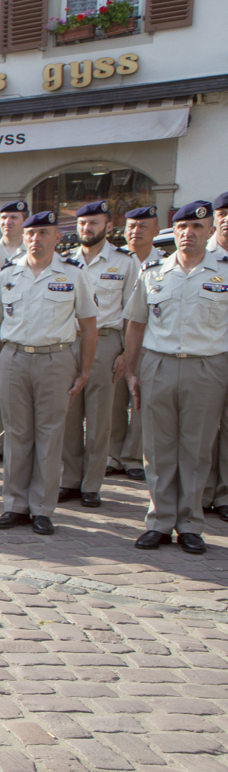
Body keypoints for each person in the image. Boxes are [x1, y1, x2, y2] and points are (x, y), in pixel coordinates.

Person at [124, 201, 228, 554]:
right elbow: (136, 323)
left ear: (210, 231)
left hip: (207, 366)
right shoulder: (154, 271)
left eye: (197, 227)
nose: (188, 234)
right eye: (182, 227)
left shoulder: (224, 272)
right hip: (159, 365)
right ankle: (159, 521)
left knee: (197, 450)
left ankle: (190, 525)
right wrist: (132, 370)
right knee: (157, 448)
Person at [0, 211, 97, 535]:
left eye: (44, 233)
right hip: (15, 358)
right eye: (31, 233)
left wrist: (84, 370)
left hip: (55, 359)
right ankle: (15, 505)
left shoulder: (73, 274)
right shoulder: (7, 274)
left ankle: (42, 509)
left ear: (57, 237)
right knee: (17, 433)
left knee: (49, 435)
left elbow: (89, 326)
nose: (36, 239)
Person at [58, 201, 140, 508]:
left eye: (93, 223)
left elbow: (133, 314)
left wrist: (126, 353)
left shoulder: (125, 262)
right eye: (82, 223)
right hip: (70, 341)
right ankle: (69, 479)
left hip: (106, 342)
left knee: (99, 416)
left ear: (108, 226)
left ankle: (92, 484)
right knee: (68, 413)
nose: (86, 228)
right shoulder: (64, 261)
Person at [0, 201, 30, 464]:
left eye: (13, 217)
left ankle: (19, 441)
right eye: (3, 218)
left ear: (24, 221)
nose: (7, 222)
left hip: (21, 327)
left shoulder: (33, 248)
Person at [201, 192, 228, 518]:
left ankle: (224, 494)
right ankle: (202, 492)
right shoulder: (199, 257)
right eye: (222, 214)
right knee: (203, 428)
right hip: (206, 356)